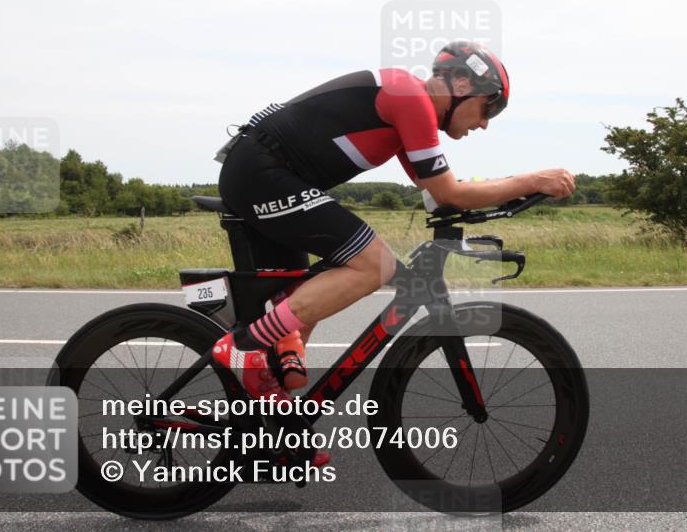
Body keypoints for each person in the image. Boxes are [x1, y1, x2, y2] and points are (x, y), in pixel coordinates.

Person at [213, 41, 575, 407]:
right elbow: (449, 192)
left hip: (267, 174)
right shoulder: (410, 98)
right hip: (260, 172)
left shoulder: (411, 106)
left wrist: (511, 197)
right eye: (489, 108)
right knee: (376, 266)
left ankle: (267, 426)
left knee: (294, 330)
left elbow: (436, 195)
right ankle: (243, 347)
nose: (484, 124)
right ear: (463, 85)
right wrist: (532, 180)